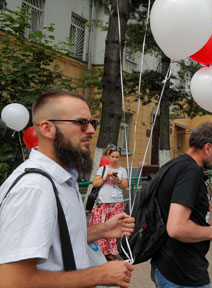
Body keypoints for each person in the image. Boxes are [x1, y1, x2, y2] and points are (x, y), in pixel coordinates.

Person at [0, 91, 135, 287]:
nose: (90, 130)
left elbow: (55, 245)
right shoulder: (35, 189)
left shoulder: (61, 179)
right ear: (47, 128)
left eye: (92, 122)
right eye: (81, 122)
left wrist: (100, 230)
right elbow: (12, 281)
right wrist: (98, 274)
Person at [150, 121, 212, 288]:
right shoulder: (190, 171)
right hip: (182, 273)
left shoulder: (174, 165)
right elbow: (176, 228)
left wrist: (202, 224)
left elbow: (172, 214)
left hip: (166, 265)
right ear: (208, 148)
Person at [89, 145, 129, 260]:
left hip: (116, 204)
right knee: (102, 227)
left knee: (114, 229)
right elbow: (95, 184)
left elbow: (125, 186)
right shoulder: (103, 169)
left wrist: (118, 180)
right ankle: (99, 252)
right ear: (108, 156)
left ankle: (110, 252)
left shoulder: (122, 170)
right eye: (113, 156)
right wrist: (105, 178)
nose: (115, 159)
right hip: (103, 203)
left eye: (117, 157)